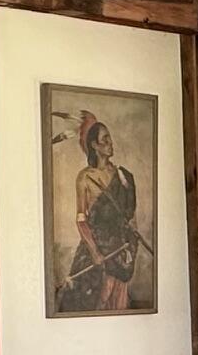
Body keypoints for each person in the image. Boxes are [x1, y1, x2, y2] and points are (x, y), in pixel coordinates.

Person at [61, 112, 145, 312]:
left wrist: (131, 244)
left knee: (118, 305)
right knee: (93, 303)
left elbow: (131, 217)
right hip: (96, 251)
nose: (110, 143)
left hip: (120, 250)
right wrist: (95, 252)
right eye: (105, 139)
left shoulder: (123, 176)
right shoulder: (85, 178)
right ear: (94, 145)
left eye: (110, 138)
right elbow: (81, 219)